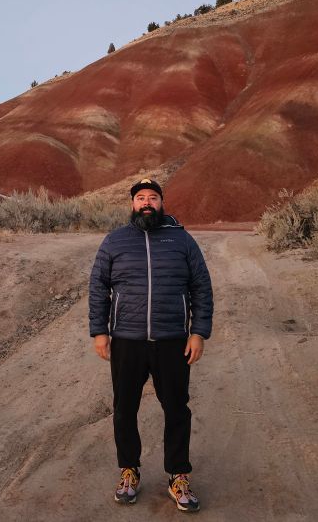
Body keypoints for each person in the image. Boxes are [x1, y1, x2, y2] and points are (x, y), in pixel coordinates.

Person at [88, 178, 214, 512]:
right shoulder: (115, 241)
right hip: (127, 340)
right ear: (132, 204)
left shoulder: (182, 240)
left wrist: (198, 332)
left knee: (176, 409)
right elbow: (98, 287)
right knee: (124, 409)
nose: (147, 203)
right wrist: (99, 331)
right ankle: (129, 470)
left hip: (172, 340)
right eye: (141, 197)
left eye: (153, 197)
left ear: (162, 202)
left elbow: (202, 286)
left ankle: (178, 475)